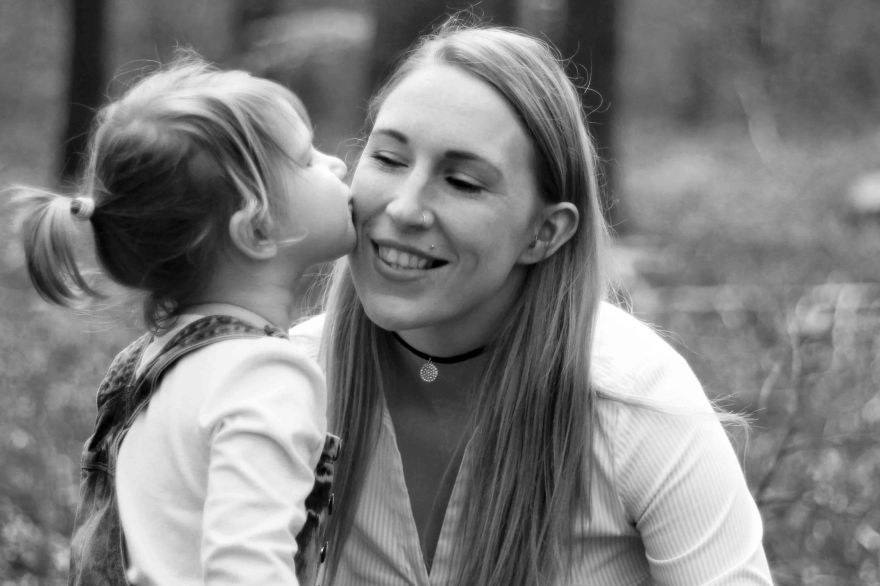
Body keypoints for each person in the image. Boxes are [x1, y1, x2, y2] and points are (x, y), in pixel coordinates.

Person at [290, 20, 773, 586]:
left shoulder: (632, 400)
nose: (403, 207)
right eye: (390, 160)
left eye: (463, 182)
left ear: (544, 232)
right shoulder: (291, 379)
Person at [15, 55, 353, 586]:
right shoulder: (264, 376)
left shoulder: (153, 360)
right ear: (257, 228)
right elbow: (248, 569)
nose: (336, 165)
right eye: (309, 159)